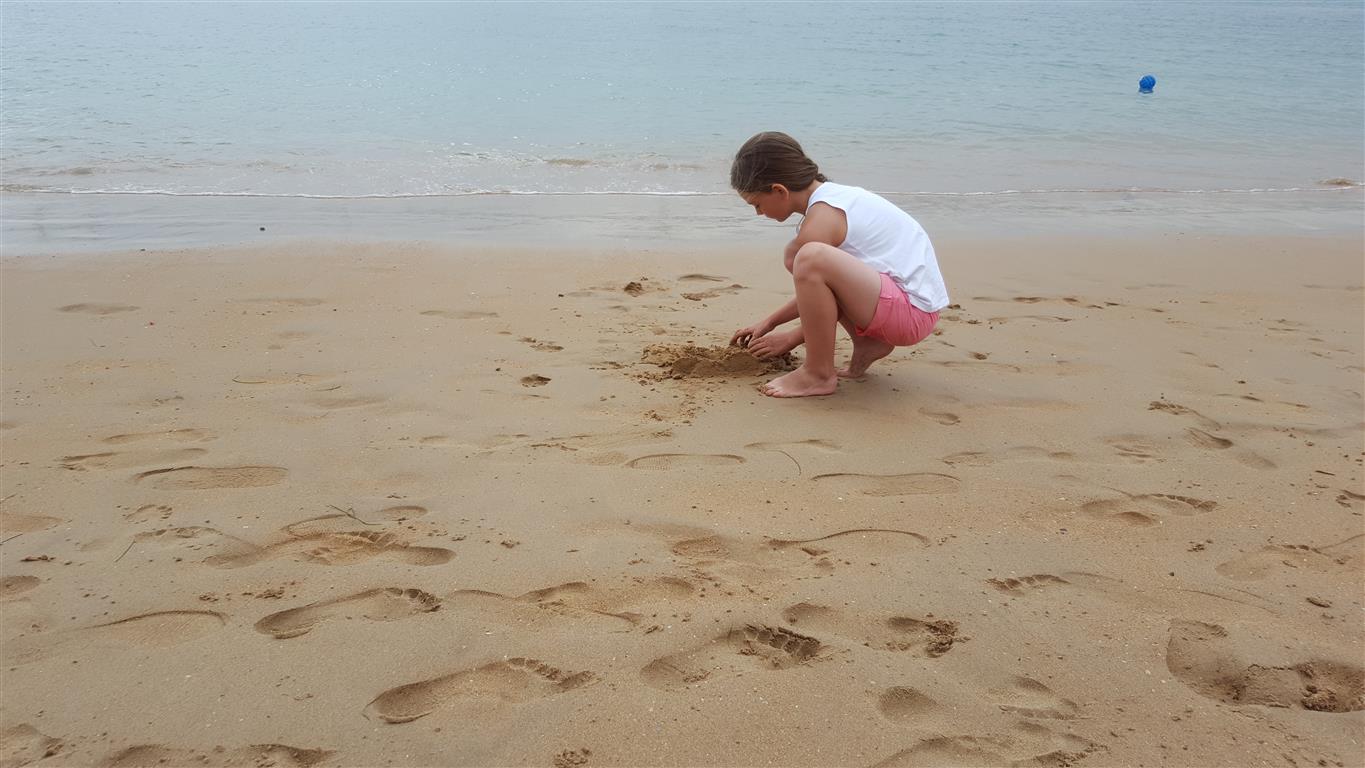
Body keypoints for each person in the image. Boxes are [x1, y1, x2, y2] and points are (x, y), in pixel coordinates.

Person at [728, 132, 949, 398]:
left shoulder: (825, 215)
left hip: (910, 313)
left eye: (757, 204)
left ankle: (817, 374)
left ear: (779, 190)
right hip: (905, 305)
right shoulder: (834, 198)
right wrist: (770, 322)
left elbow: (817, 292)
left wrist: (792, 337)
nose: (758, 213)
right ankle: (867, 343)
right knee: (802, 257)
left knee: (807, 258)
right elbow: (822, 294)